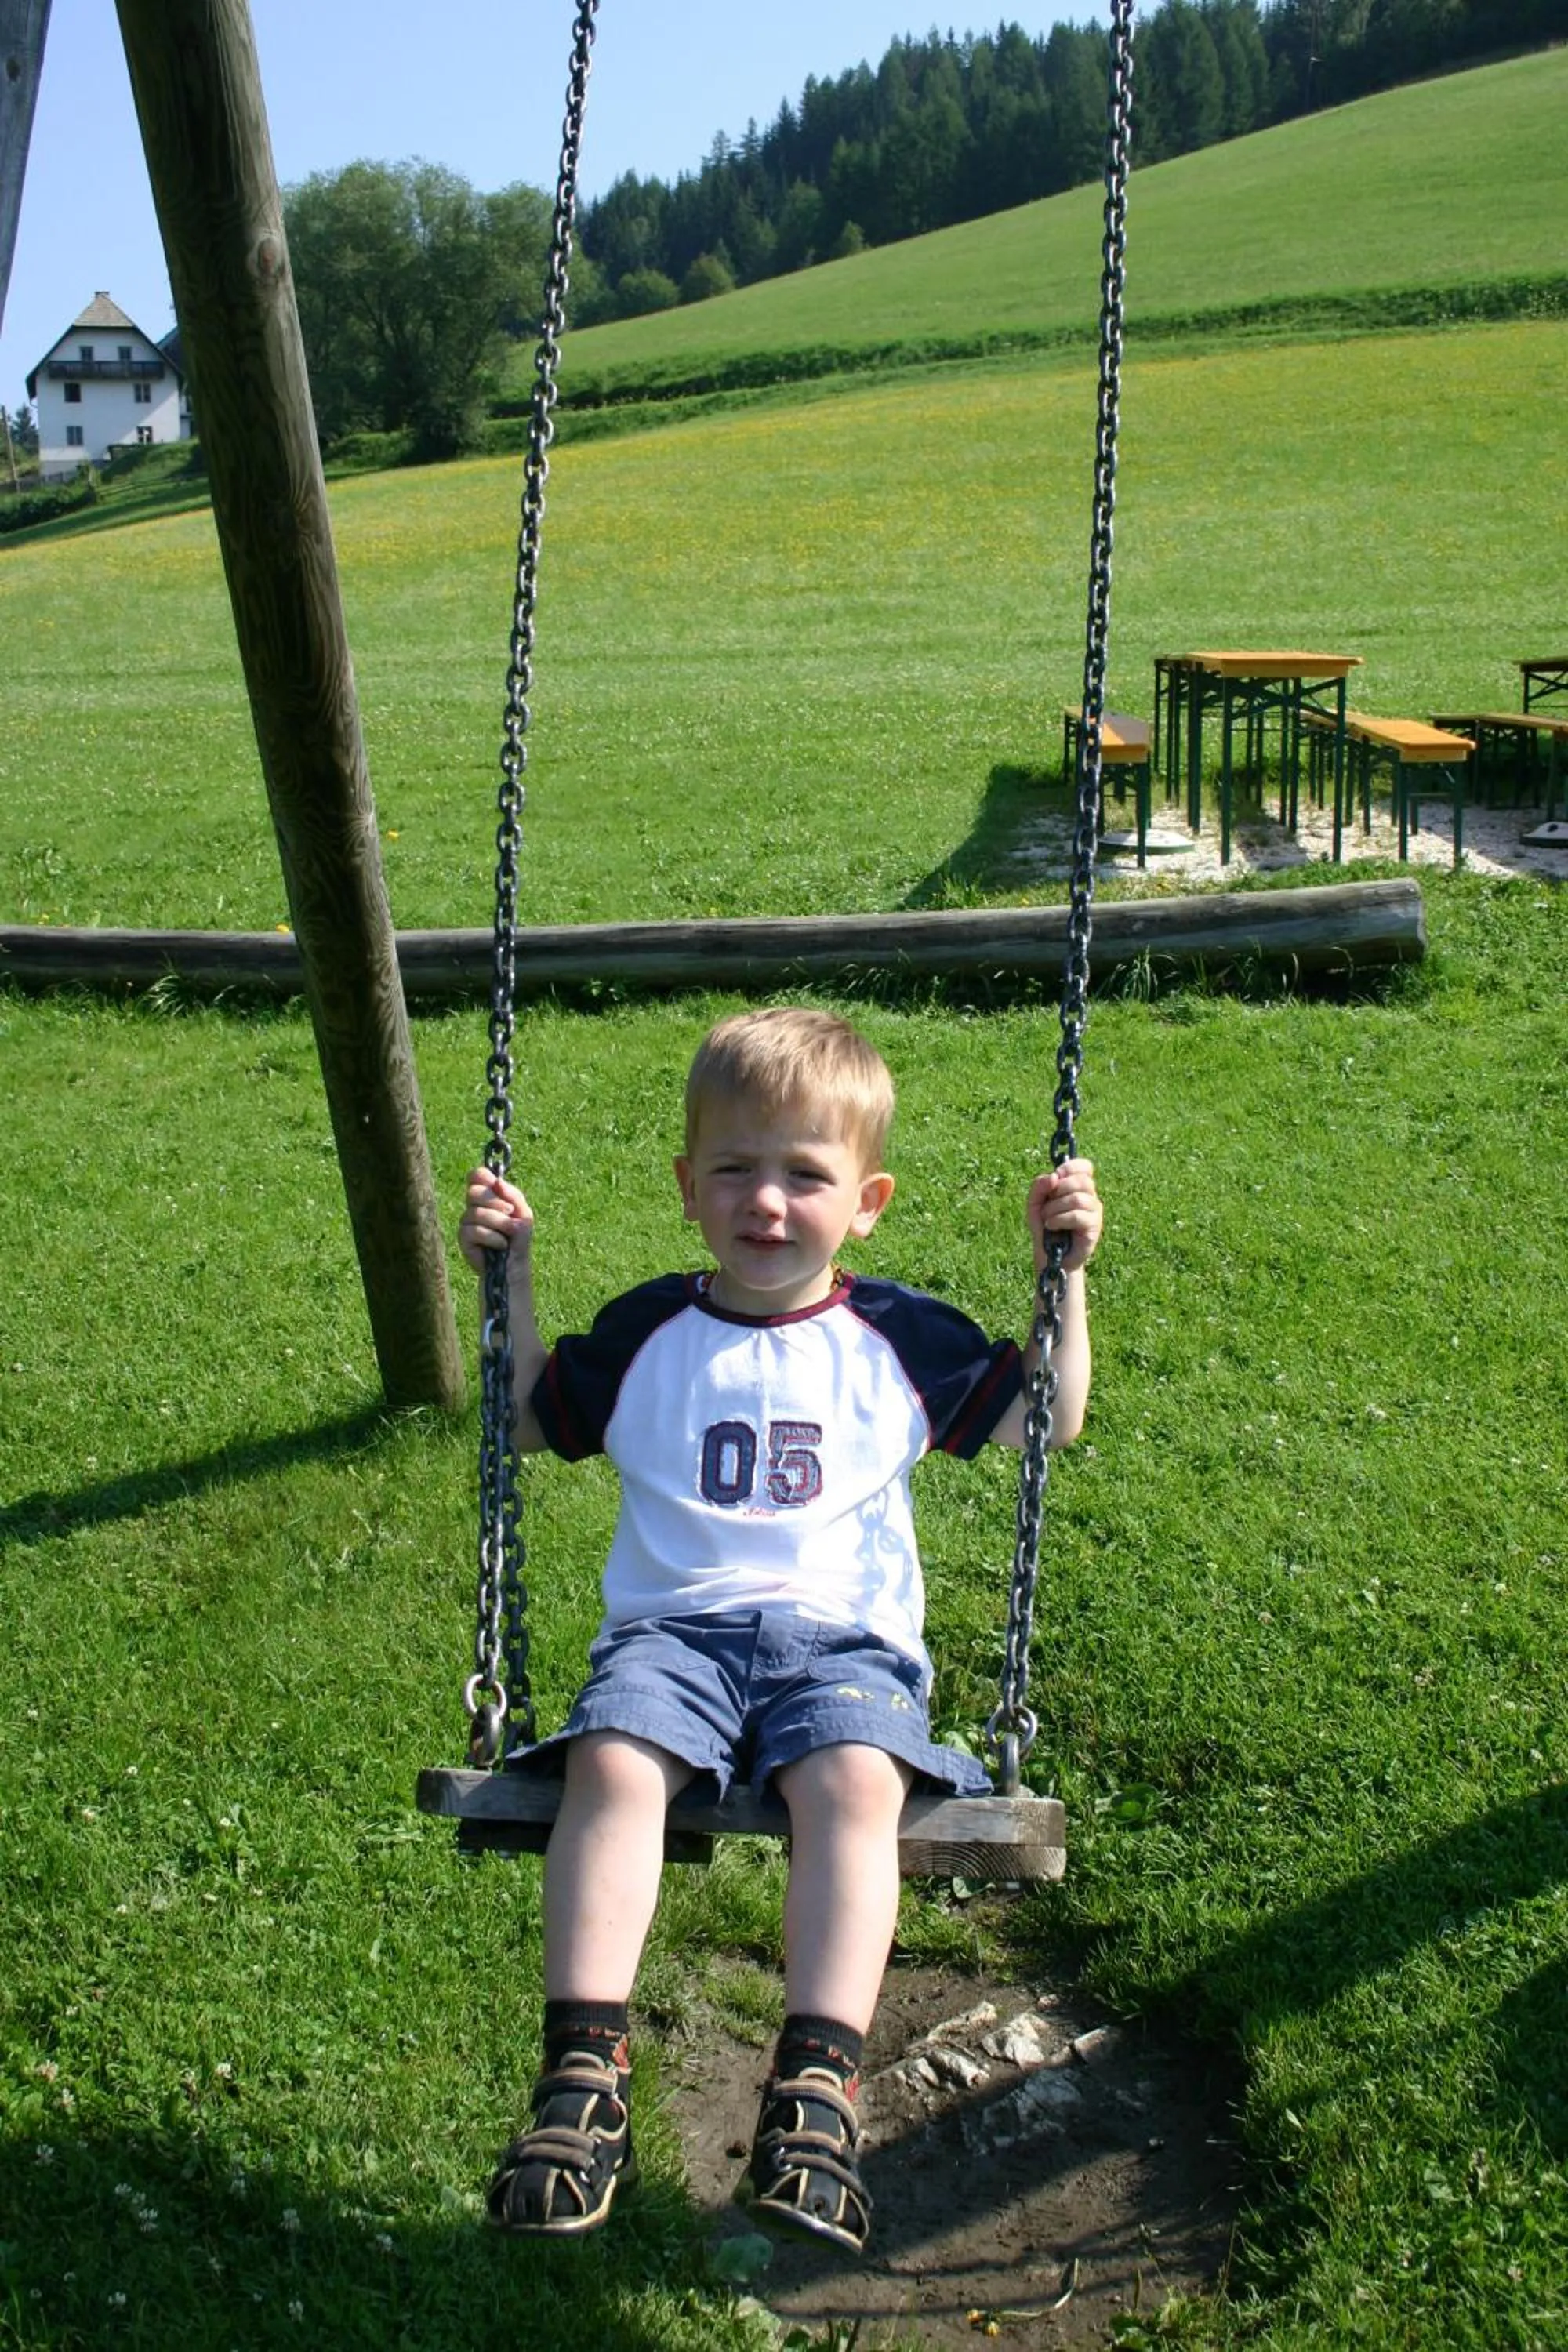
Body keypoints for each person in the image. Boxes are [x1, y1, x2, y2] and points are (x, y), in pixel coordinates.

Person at [457, 1005, 1102, 2255]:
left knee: (856, 1782)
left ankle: (816, 2094)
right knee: (615, 1760)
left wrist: (1067, 1274)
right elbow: (530, 1416)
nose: (768, 1202)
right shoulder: (651, 1329)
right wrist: (513, 1277)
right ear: (689, 1188)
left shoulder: (902, 1338)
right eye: (737, 1171)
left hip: (843, 1646)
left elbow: (1048, 1421)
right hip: (674, 1640)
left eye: (805, 1175)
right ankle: (581, 2081)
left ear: (866, 1200)